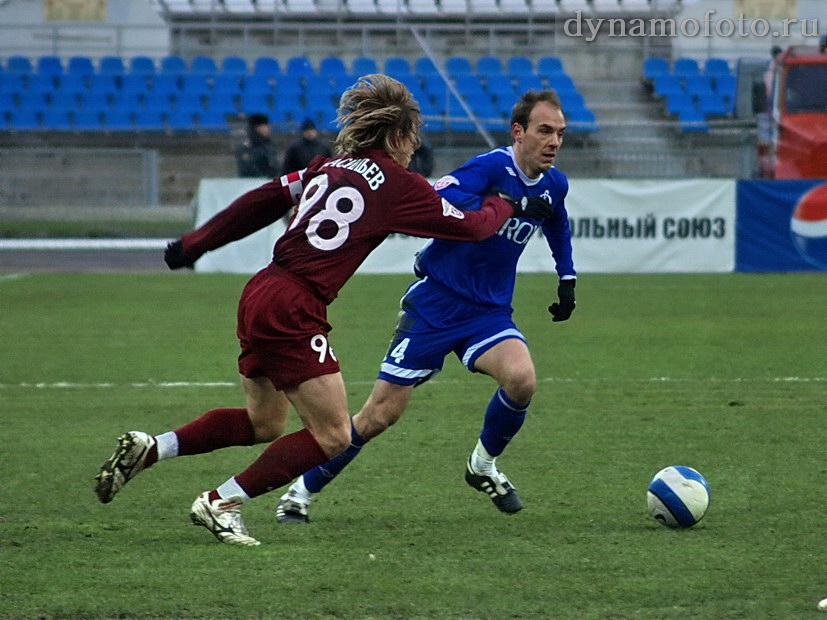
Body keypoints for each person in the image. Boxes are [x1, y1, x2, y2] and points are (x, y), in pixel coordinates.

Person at [93, 75, 557, 547]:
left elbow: (262, 200)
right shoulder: (399, 185)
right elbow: (475, 228)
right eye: (412, 140)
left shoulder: (329, 165)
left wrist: (195, 244)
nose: (413, 151)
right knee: (335, 434)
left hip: (261, 290)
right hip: (296, 306)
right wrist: (503, 205)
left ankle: (155, 447)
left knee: (264, 423)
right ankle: (222, 501)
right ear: (397, 136)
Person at [275, 89, 575, 524]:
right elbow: (441, 196)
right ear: (518, 132)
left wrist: (566, 277)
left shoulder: (554, 183)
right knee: (380, 415)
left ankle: (483, 465)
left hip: (487, 312)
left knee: (522, 380)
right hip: (436, 304)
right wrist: (505, 204)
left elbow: (557, 222)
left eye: (561, 134)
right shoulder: (493, 167)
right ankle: (299, 492)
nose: (553, 142)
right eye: (544, 131)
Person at [235, 113, 279, 178]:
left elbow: (275, 166)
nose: (268, 129)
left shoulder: (269, 146)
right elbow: (247, 170)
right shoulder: (245, 148)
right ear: (257, 128)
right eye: (265, 126)